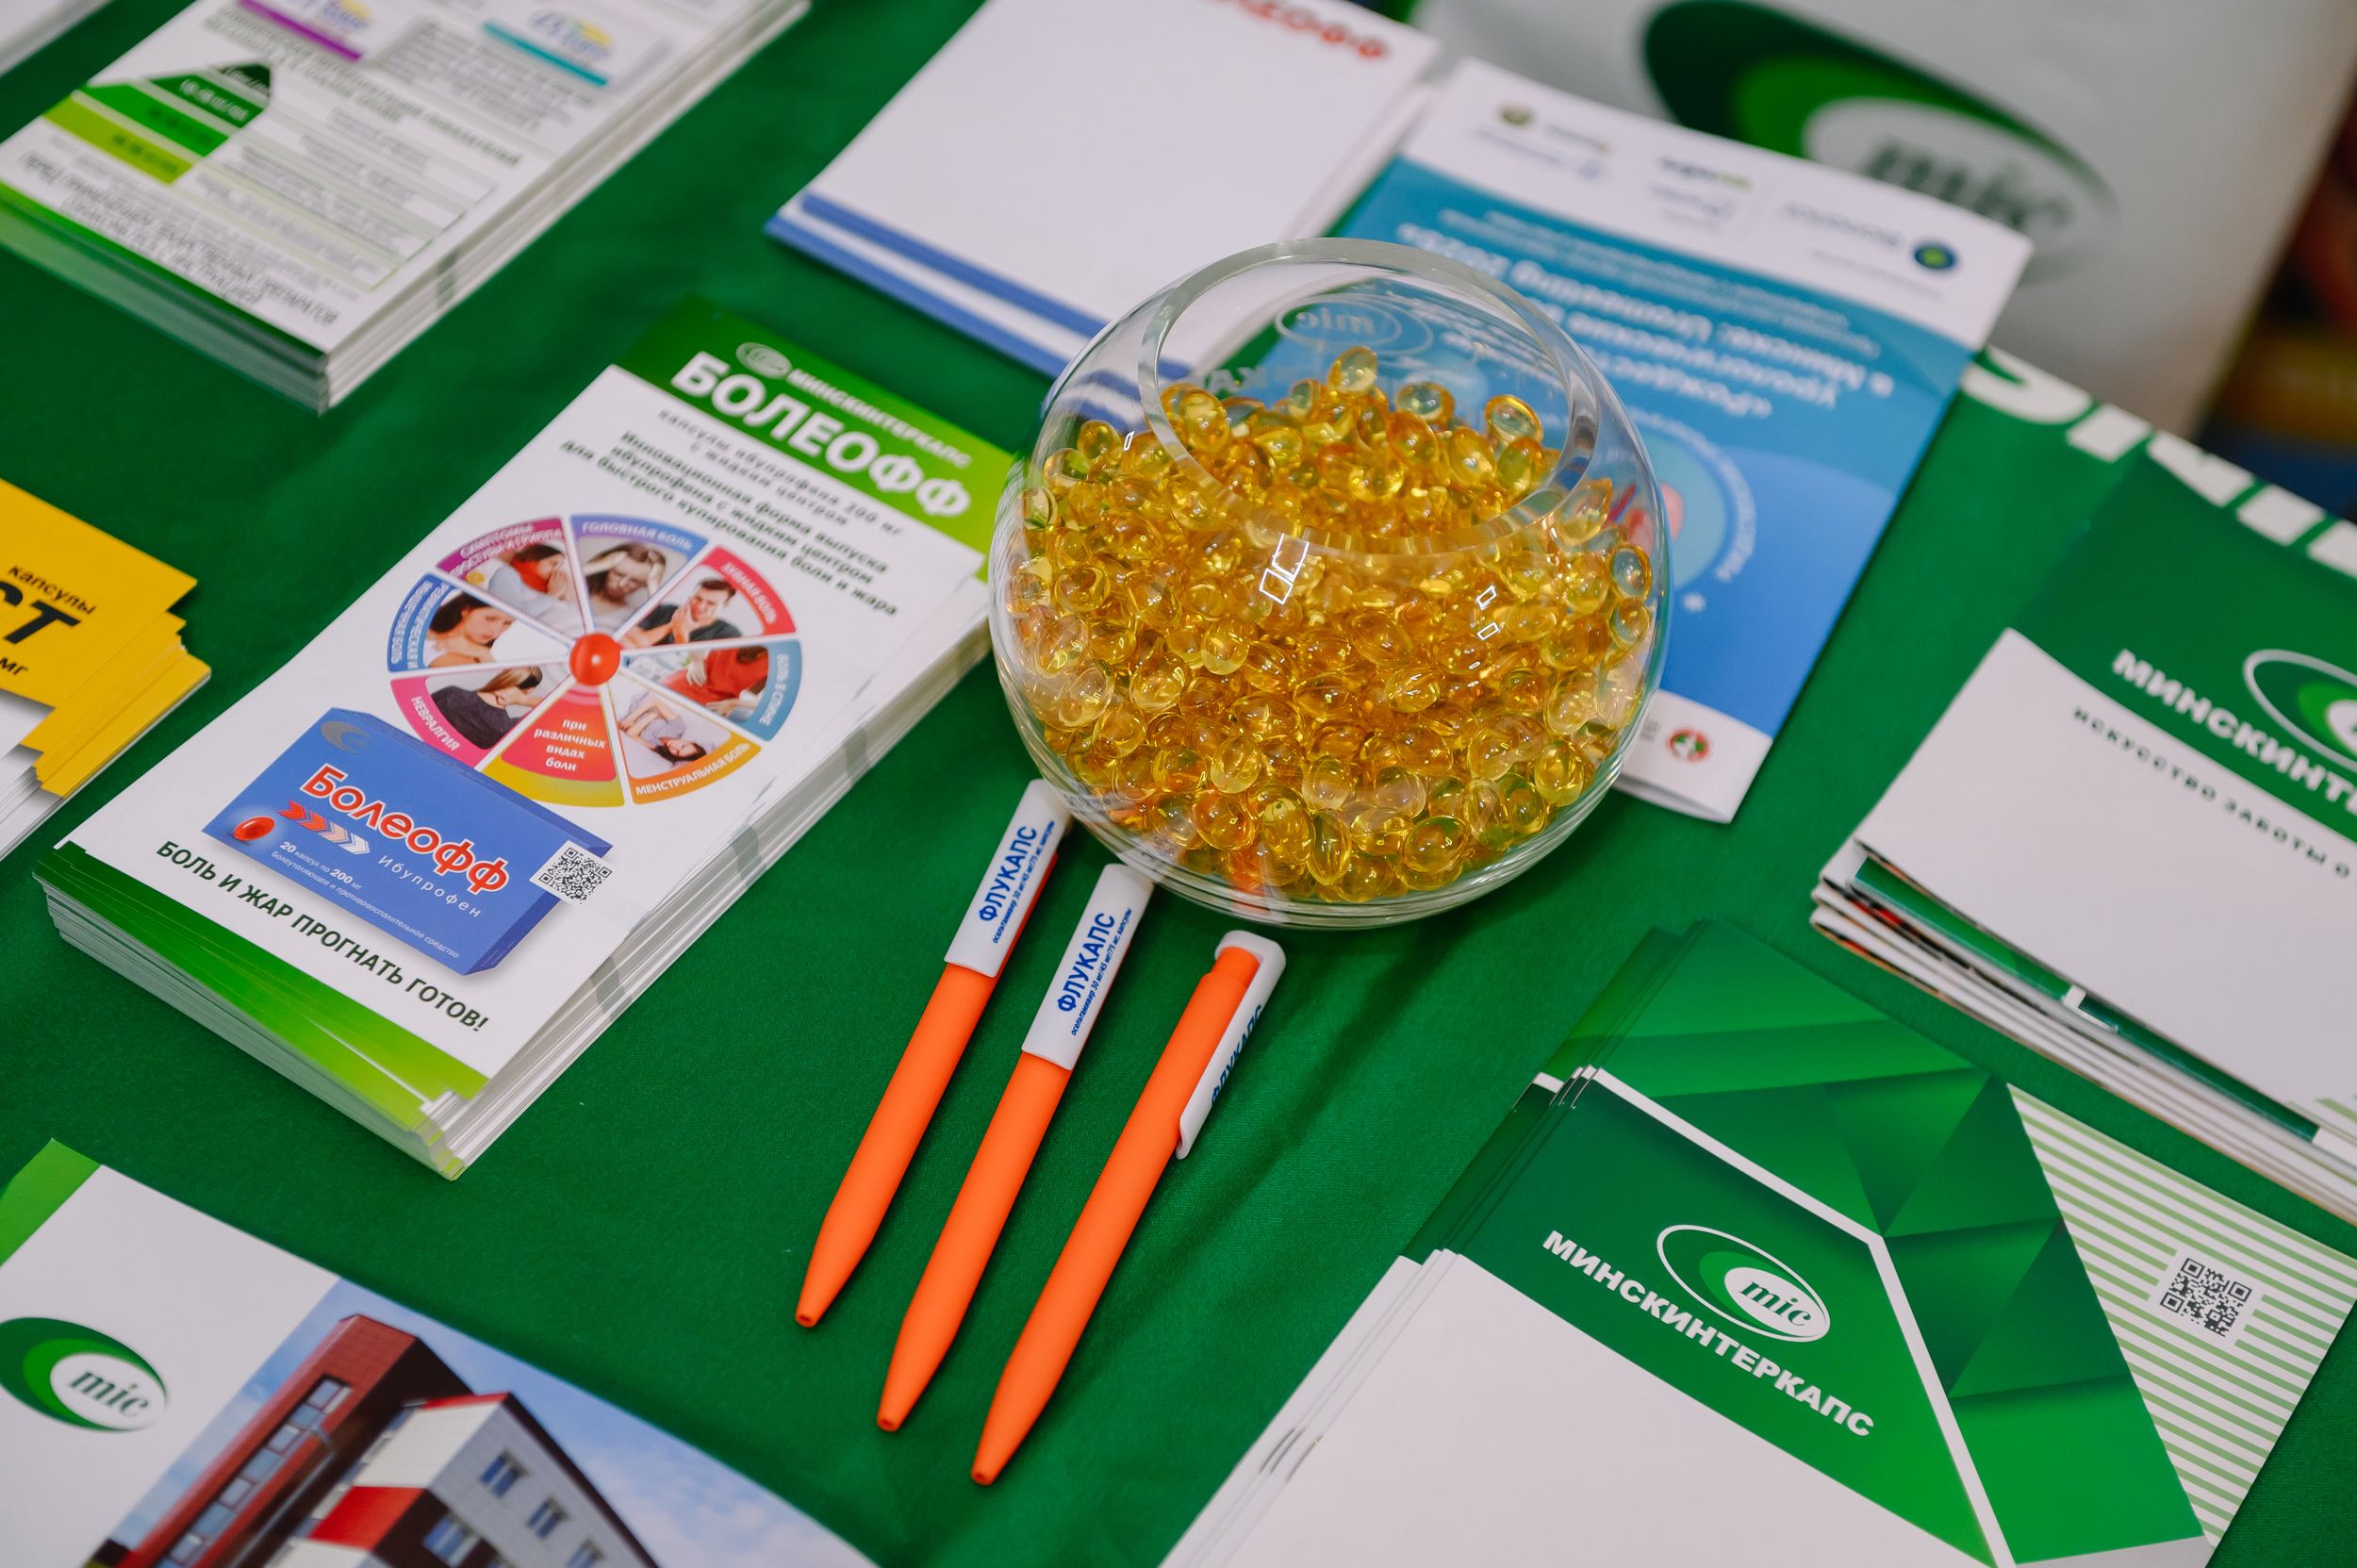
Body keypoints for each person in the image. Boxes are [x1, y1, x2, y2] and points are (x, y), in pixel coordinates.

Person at [431, 668, 543, 749]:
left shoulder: (451, 694)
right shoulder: (506, 729)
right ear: (529, 691)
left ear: (500, 672)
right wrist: (524, 700)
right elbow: (552, 707)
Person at [621, 576, 742, 648]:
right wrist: (672, 625)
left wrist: (681, 634)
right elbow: (629, 641)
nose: (700, 606)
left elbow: (692, 672)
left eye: (710, 603)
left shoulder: (728, 634)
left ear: (725, 605)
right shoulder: (664, 609)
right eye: (697, 598)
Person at [664, 645, 769, 718]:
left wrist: (734, 703)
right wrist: (696, 661)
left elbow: (771, 702)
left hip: (716, 705)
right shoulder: (742, 629)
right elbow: (695, 633)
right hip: (691, 681)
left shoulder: (775, 661)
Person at [483, 542, 573, 624]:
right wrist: (554, 594)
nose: (557, 570)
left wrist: (564, 594)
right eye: (553, 564)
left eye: (560, 566)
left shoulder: (547, 587)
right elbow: (515, 613)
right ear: (533, 559)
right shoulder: (506, 573)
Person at [582, 542, 666, 631]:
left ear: (644, 584)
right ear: (608, 569)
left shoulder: (633, 618)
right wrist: (600, 565)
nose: (621, 584)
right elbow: (571, 575)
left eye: (634, 580)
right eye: (618, 574)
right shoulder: (576, 594)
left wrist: (654, 585)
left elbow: (664, 621)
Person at [618, 692, 708, 767]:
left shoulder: (657, 747)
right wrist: (631, 718)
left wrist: (652, 716)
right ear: (689, 741)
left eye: (677, 752)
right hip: (634, 705)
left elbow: (630, 734)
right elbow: (655, 701)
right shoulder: (678, 728)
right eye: (683, 746)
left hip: (621, 717)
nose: (675, 747)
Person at [426, 595, 514, 667]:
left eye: (507, 623)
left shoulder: (479, 654)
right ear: (466, 610)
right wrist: (485, 655)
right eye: (490, 618)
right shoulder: (436, 647)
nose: (496, 631)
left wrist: (484, 654)